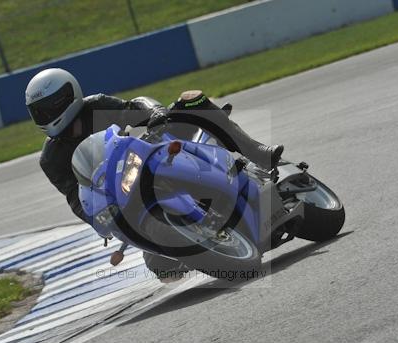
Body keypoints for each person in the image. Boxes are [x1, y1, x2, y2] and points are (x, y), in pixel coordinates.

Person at [25, 68, 283, 275]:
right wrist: (96, 217)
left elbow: (135, 108)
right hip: (123, 195)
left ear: (67, 96)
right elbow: (75, 196)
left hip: (149, 154)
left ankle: (257, 152)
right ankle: (196, 246)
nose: (46, 115)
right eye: (39, 112)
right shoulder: (51, 159)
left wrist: (156, 114)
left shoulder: (95, 106)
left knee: (192, 99)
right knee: (159, 266)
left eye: (50, 107)